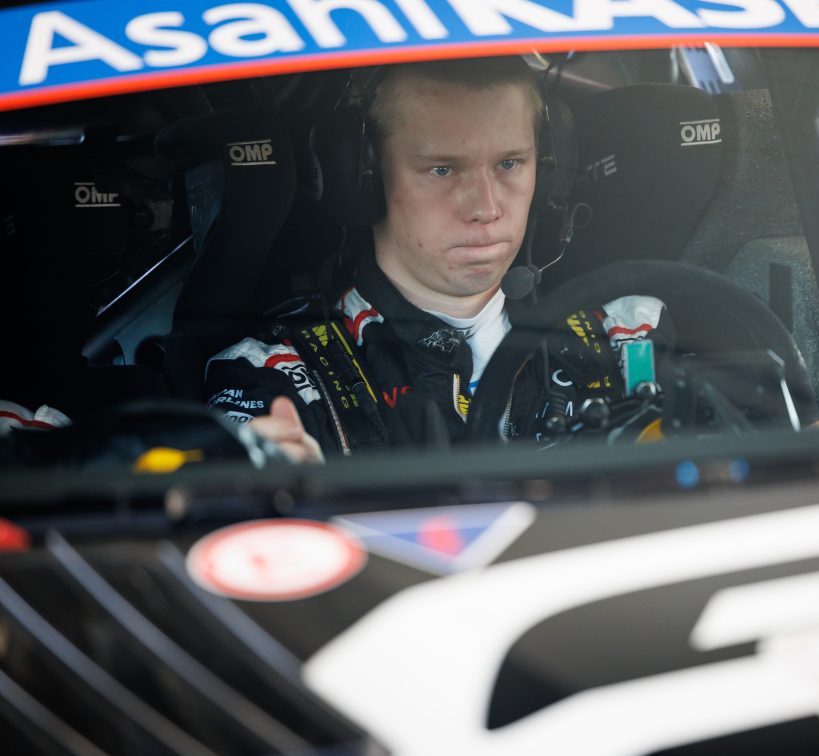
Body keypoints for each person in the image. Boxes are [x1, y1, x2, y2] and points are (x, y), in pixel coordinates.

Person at [204, 57, 664, 462]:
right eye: (442, 169)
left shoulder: (629, 338)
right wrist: (286, 493)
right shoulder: (278, 377)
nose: (486, 207)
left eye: (509, 164)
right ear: (364, 179)